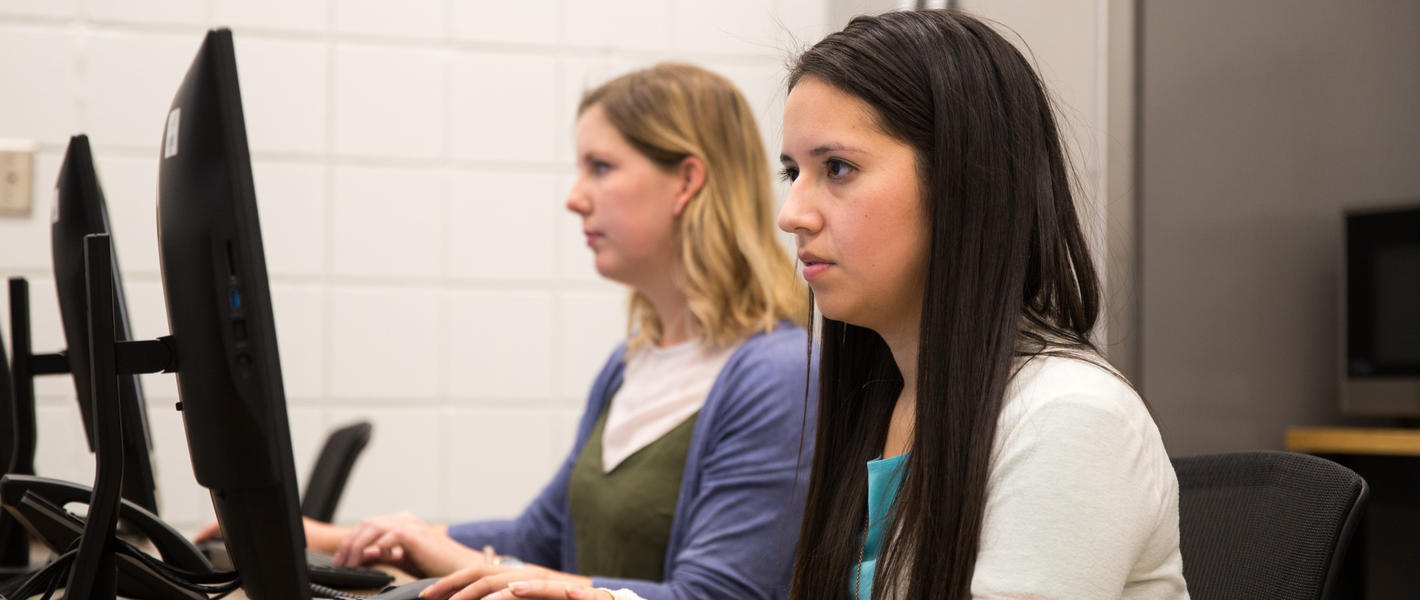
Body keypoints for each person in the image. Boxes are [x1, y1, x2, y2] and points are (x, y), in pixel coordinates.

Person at [306, 63, 811, 600]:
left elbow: (719, 596)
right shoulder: (630, 363)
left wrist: (483, 569)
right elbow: (538, 537)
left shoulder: (778, 374)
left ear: (686, 181)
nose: (575, 197)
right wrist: (338, 538)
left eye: (600, 167)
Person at [774, 10, 1189, 600]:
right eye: (792, 171)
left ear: (962, 181)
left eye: (836, 168)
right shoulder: (888, 397)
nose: (792, 213)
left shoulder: (1068, 415)